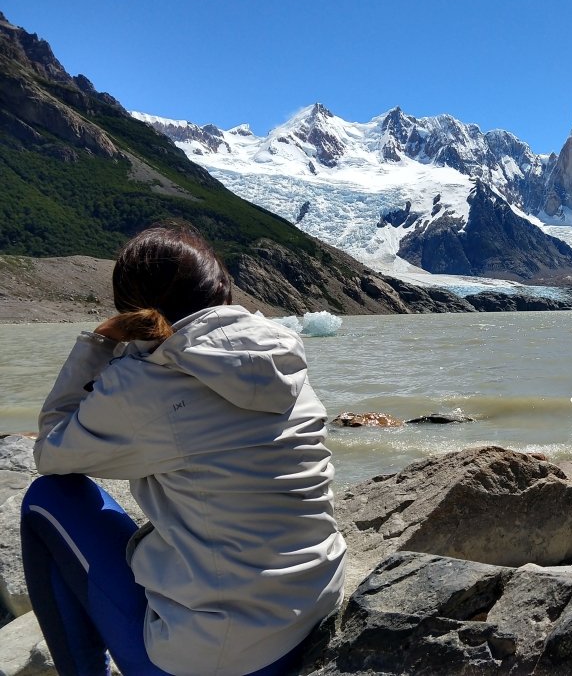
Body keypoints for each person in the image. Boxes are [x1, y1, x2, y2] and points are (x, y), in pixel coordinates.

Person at [20, 221, 346, 676]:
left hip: (224, 657)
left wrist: (100, 342)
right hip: (315, 604)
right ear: (222, 289)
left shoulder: (146, 381)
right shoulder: (278, 354)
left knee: (46, 499)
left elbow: (50, 452)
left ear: (133, 312)